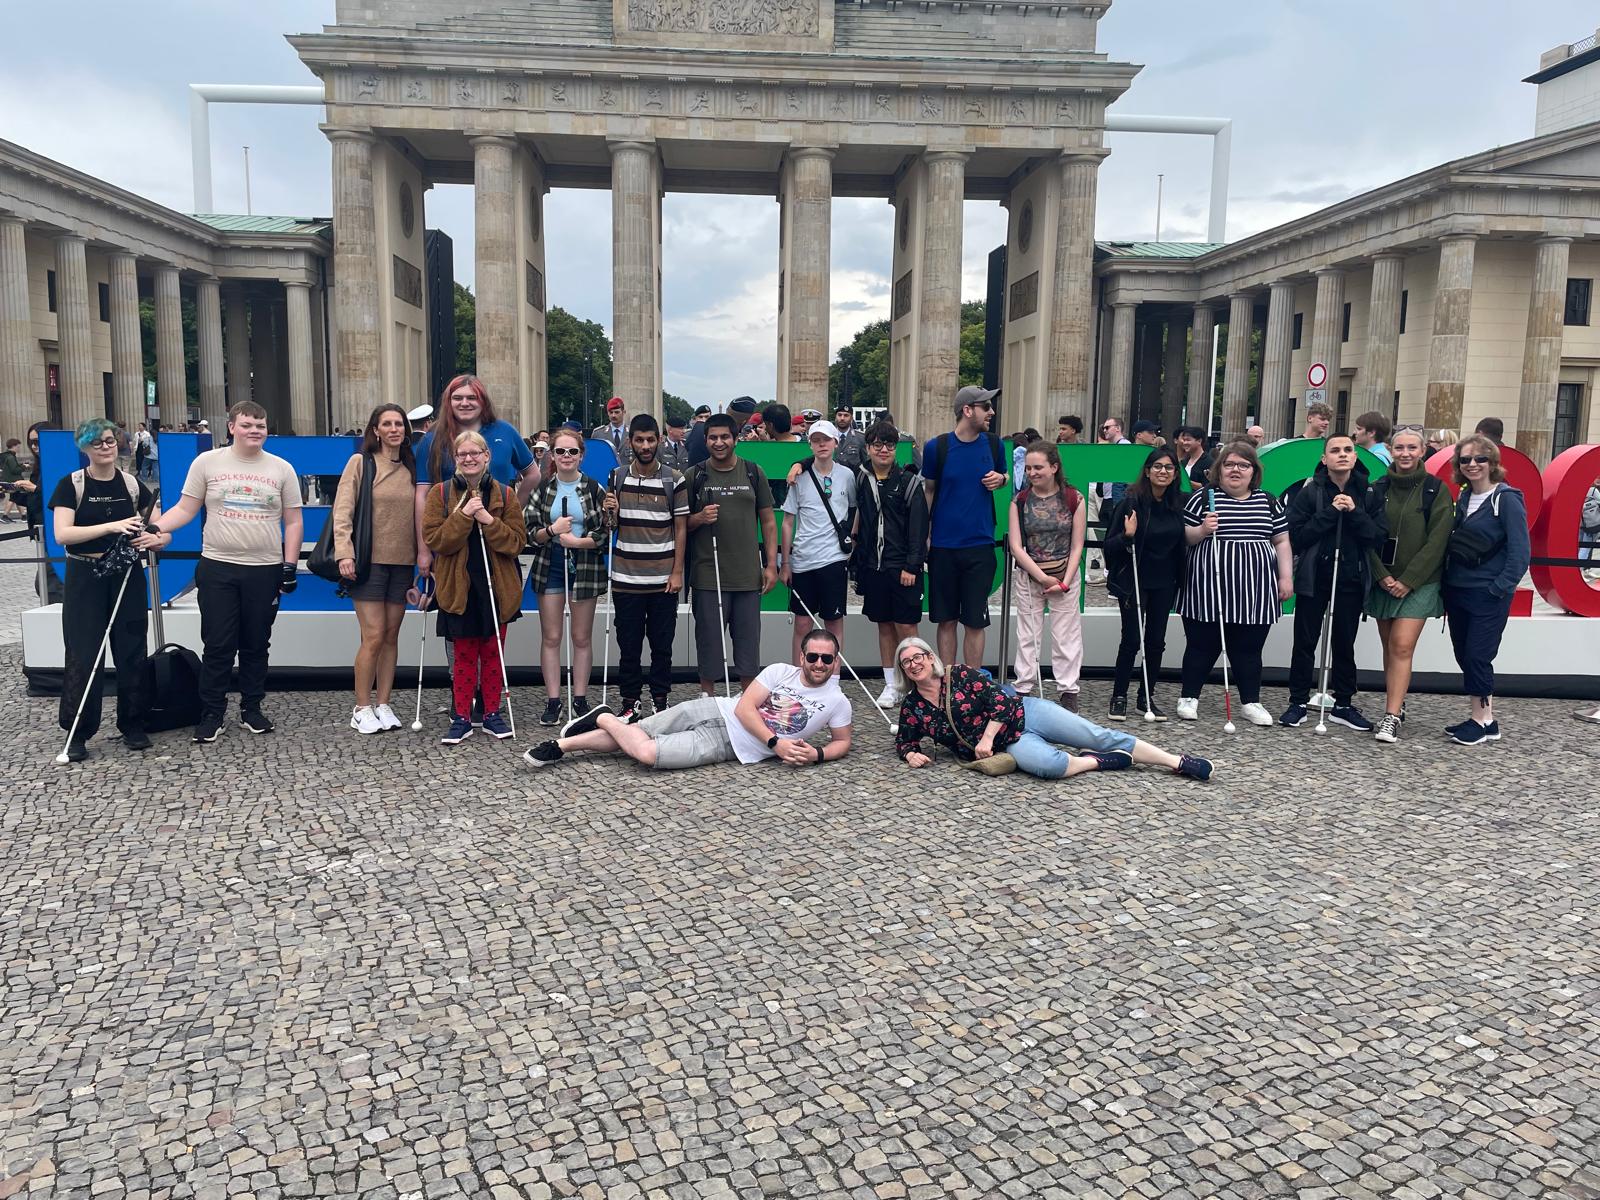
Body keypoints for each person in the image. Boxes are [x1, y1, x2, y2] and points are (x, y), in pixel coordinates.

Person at [143, 400, 304, 742]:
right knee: (217, 644)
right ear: (231, 426)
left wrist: (289, 566)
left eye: (260, 426)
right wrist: (156, 530)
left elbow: (293, 521)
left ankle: (252, 708)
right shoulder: (207, 462)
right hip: (218, 566)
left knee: (257, 643)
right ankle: (212, 712)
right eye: (247, 425)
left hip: (264, 569)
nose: (254, 431)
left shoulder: (282, 469)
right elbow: (186, 508)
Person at [524, 627, 853, 770]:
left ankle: (604, 717)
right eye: (813, 657)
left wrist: (819, 755)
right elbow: (744, 707)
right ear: (802, 656)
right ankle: (560, 748)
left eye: (827, 659)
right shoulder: (781, 671)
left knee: (646, 751)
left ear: (836, 660)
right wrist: (775, 744)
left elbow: (843, 742)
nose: (819, 664)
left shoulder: (838, 701)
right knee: (643, 731)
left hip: (726, 745)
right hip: (713, 709)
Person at [891, 637, 1212, 782]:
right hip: (1011, 743)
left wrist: (986, 739)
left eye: (919, 656)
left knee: (1097, 733)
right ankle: (1095, 762)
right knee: (1050, 767)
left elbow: (1000, 701)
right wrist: (910, 754)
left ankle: (1177, 762)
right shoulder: (914, 707)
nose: (914, 664)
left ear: (931, 657)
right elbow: (904, 739)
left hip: (1024, 713)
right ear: (903, 671)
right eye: (907, 662)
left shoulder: (958, 673)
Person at [48, 418, 163, 760]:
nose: (105, 447)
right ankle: (79, 731)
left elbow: (157, 523)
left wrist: (153, 536)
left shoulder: (131, 484)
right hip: (85, 575)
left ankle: (133, 723)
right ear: (84, 447)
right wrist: (112, 525)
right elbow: (62, 535)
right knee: (84, 653)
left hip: (125, 573)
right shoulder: (71, 485)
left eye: (110, 441)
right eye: (96, 443)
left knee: (131, 649)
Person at [1175, 442, 1292, 726]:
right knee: (1201, 645)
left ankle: (1250, 701)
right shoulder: (1203, 498)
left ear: (1254, 471)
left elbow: (1282, 540)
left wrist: (1286, 576)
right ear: (1219, 469)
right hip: (1207, 586)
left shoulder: (1268, 500)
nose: (1236, 470)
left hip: (1255, 589)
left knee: (1249, 648)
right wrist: (1202, 529)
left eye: (1243, 465)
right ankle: (1189, 696)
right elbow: (1185, 537)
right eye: (1229, 465)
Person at [422, 430, 527, 744]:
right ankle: (463, 716)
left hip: (496, 586)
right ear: (456, 459)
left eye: (474, 453)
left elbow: (516, 543)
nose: (469, 459)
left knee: (493, 653)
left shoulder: (505, 494)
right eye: (462, 454)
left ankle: (492, 714)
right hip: (458, 586)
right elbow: (436, 539)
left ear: (487, 457)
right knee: (465, 655)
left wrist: (488, 520)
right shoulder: (439, 495)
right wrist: (464, 515)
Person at [1280, 434, 1387, 731]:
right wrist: (1330, 512)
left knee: (1344, 642)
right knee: (1305, 640)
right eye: (1335, 450)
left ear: (1355, 457)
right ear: (1324, 458)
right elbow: (1297, 536)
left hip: (1351, 576)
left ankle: (1343, 704)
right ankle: (1298, 701)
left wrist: (1354, 512)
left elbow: (1377, 537)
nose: (1342, 455)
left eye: (1348, 450)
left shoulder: (1368, 493)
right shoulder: (1310, 492)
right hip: (1315, 576)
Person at [334, 403, 419, 735]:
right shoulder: (361, 463)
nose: (395, 429)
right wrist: (345, 553)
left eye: (400, 423)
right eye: (388, 423)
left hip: (403, 562)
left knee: (391, 636)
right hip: (368, 561)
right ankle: (361, 707)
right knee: (372, 636)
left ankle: (383, 703)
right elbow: (343, 511)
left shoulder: (412, 466)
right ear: (376, 430)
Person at [1365, 427, 1453, 743]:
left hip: (1420, 582)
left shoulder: (1435, 489)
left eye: (1411, 448)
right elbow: (1367, 536)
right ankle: (1397, 704)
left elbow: (1438, 539)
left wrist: (1409, 580)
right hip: (1383, 580)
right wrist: (1380, 574)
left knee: (1402, 644)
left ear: (1421, 451)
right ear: (1390, 449)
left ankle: (1389, 717)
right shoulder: (1377, 488)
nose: (1405, 453)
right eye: (1399, 447)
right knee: (1390, 646)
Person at [1441, 434, 1530, 746]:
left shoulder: (1506, 498)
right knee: (1464, 653)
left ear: (1493, 463)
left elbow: (1521, 551)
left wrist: (1499, 588)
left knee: (1479, 654)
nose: (1472, 464)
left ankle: (1481, 721)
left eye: (1480, 459)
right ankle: (1485, 718)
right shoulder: (1464, 497)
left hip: (1487, 594)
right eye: (1465, 459)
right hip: (1458, 589)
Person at [685, 414, 778, 697]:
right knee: (710, 641)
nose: (719, 442)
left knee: (748, 644)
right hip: (708, 574)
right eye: (713, 437)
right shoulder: (695, 475)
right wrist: (699, 518)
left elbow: (769, 521)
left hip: (748, 575)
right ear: (705, 440)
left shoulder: (753, 471)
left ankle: (747, 701)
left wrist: (771, 564)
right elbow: (680, 525)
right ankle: (707, 697)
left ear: (735, 438)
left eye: (725, 436)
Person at [604, 414, 688, 724]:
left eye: (650, 439)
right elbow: (610, 527)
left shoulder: (673, 479)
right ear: (630, 442)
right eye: (639, 440)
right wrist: (607, 512)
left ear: (659, 440)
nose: (645, 446)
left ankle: (660, 700)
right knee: (628, 644)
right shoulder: (617, 477)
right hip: (626, 577)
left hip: (663, 577)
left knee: (662, 644)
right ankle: (630, 701)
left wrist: (678, 571)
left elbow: (680, 528)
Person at [414, 375, 538, 580]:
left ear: (483, 400)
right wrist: (424, 550)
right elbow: (422, 496)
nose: (464, 403)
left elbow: (533, 474)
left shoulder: (505, 431)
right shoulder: (432, 438)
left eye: (472, 397)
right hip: (451, 540)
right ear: (448, 402)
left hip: (497, 535)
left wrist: (513, 507)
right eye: (457, 398)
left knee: (501, 604)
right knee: (455, 606)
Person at [526, 428, 609, 725]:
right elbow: (530, 532)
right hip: (551, 564)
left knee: (581, 636)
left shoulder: (593, 488)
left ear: (581, 455)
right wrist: (552, 531)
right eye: (560, 451)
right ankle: (552, 700)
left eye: (572, 452)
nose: (566, 457)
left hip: (584, 566)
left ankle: (580, 698)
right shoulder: (544, 488)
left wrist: (577, 542)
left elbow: (604, 531)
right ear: (552, 455)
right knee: (551, 636)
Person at [923, 385, 1006, 670]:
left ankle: (973, 683)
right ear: (968, 410)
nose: (991, 412)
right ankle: (947, 682)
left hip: (980, 545)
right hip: (944, 547)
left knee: (975, 620)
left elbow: (1003, 474)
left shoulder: (995, 444)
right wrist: (927, 534)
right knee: (946, 619)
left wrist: (1002, 479)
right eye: (986, 407)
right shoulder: (937, 447)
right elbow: (929, 491)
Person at [1103, 446, 1187, 720]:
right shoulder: (1130, 503)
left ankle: (1146, 696)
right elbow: (1110, 546)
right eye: (1158, 467)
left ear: (1175, 474)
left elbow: (1183, 546)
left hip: (1165, 581)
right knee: (1131, 640)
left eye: (1169, 468)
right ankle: (1119, 696)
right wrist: (1128, 536)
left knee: (1156, 642)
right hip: (1134, 580)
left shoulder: (1179, 505)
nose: (1163, 472)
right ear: (1148, 471)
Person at [850, 419, 928, 708]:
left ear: (897, 448)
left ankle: (919, 685)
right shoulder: (860, 477)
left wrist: (912, 566)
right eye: (878, 444)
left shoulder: (909, 482)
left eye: (890, 444)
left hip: (902, 566)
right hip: (873, 566)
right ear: (868, 448)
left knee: (907, 627)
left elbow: (919, 530)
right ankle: (892, 685)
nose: (884, 450)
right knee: (884, 626)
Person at [1007, 441, 1086, 708]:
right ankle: (1024, 686)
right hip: (1030, 576)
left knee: (1066, 635)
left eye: (1038, 467)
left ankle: (1068, 691)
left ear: (1054, 467)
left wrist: (1063, 582)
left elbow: (1078, 544)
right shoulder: (1019, 501)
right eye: (1028, 468)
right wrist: (1042, 578)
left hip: (1065, 574)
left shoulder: (1074, 498)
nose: (1032, 473)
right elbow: (1016, 546)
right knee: (1027, 635)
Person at [781, 419, 857, 668]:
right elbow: (788, 522)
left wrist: (851, 542)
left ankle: (832, 676)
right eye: (816, 440)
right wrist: (786, 562)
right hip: (803, 559)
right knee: (802, 623)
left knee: (833, 622)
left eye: (826, 439)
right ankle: (797, 675)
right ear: (810, 445)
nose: (821, 444)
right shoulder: (799, 477)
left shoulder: (847, 475)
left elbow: (855, 511)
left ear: (836, 442)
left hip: (834, 558)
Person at [1261, 401, 1333, 451]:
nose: (1327, 422)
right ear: (1310, 418)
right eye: (1322, 419)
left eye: (1328, 420)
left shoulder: (1329, 445)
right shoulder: (1293, 444)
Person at [593, 397, 631, 465]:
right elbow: (594, 459)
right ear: (608, 413)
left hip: (627, 473)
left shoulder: (632, 433)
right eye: (611, 412)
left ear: (623, 412)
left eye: (617, 412)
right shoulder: (598, 434)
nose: (613, 415)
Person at [685, 402, 716, 468]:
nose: (704, 420)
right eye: (701, 417)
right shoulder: (687, 435)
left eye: (707, 417)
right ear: (695, 418)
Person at [0, 437, 23, 521]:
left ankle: (23, 515)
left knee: (16, 497)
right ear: (13, 446)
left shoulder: (6, 456)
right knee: (14, 497)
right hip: (12, 480)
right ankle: (5, 516)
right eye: (18, 446)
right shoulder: (10, 457)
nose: (19, 448)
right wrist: (24, 466)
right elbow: (14, 470)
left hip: (8, 479)